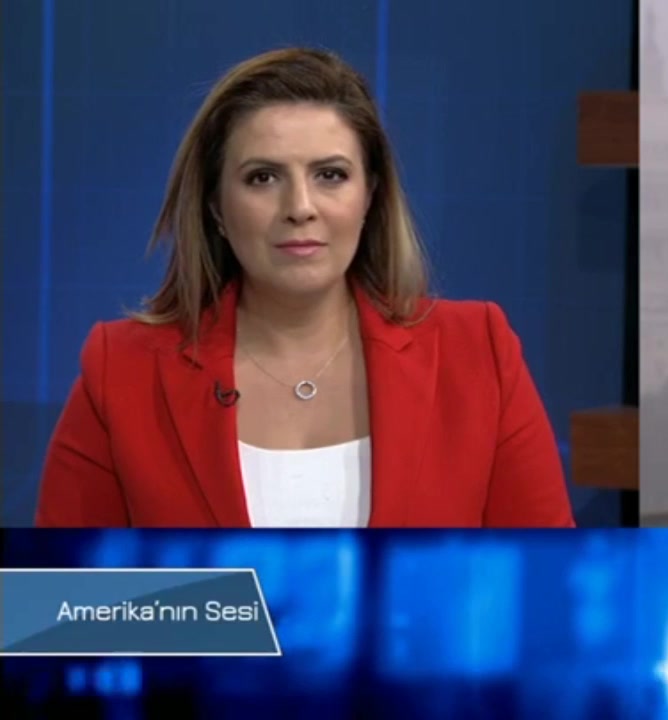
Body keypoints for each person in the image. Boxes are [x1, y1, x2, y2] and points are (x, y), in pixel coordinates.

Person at [36, 48, 575, 528]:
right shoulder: (122, 370)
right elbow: (63, 599)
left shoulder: (477, 352)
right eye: (263, 177)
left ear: (370, 196)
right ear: (216, 207)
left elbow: (547, 587)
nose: (299, 207)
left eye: (330, 175)